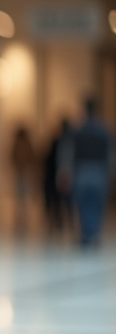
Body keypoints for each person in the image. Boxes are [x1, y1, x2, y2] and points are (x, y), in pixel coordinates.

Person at [61, 98, 114, 248]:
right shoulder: (104, 131)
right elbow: (111, 155)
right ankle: (94, 234)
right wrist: (110, 173)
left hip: (81, 171)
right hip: (98, 171)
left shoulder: (77, 130)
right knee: (96, 205)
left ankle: (85, 234)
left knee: (82, 205)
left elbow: (68, 153)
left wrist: (65, 172)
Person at [42, 118, 72, 234]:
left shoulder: (59, 142)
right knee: (61, 200)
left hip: (57, 175)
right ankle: (61, 221)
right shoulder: (63, 141)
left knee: (57, 199)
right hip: (56, 175)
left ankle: (59, 221)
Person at [9, 125, 36, 232]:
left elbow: (13, 156)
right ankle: (22, 217)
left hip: (21, 172)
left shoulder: (18, 143)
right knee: (22, 195)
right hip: (23, 172)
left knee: (20, 195)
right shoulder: (25, 143)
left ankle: (21, 217)